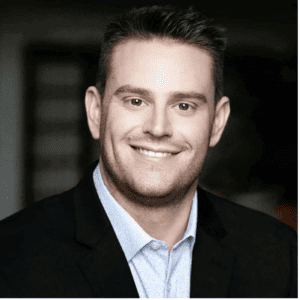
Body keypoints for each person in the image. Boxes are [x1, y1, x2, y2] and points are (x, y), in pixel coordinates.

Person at [0, 5, 296, 298]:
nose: (157, 128)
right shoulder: (11, 258)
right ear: (95, 112)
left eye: (184, 106)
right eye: (135, 101)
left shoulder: (281, 257)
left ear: (217, 122)